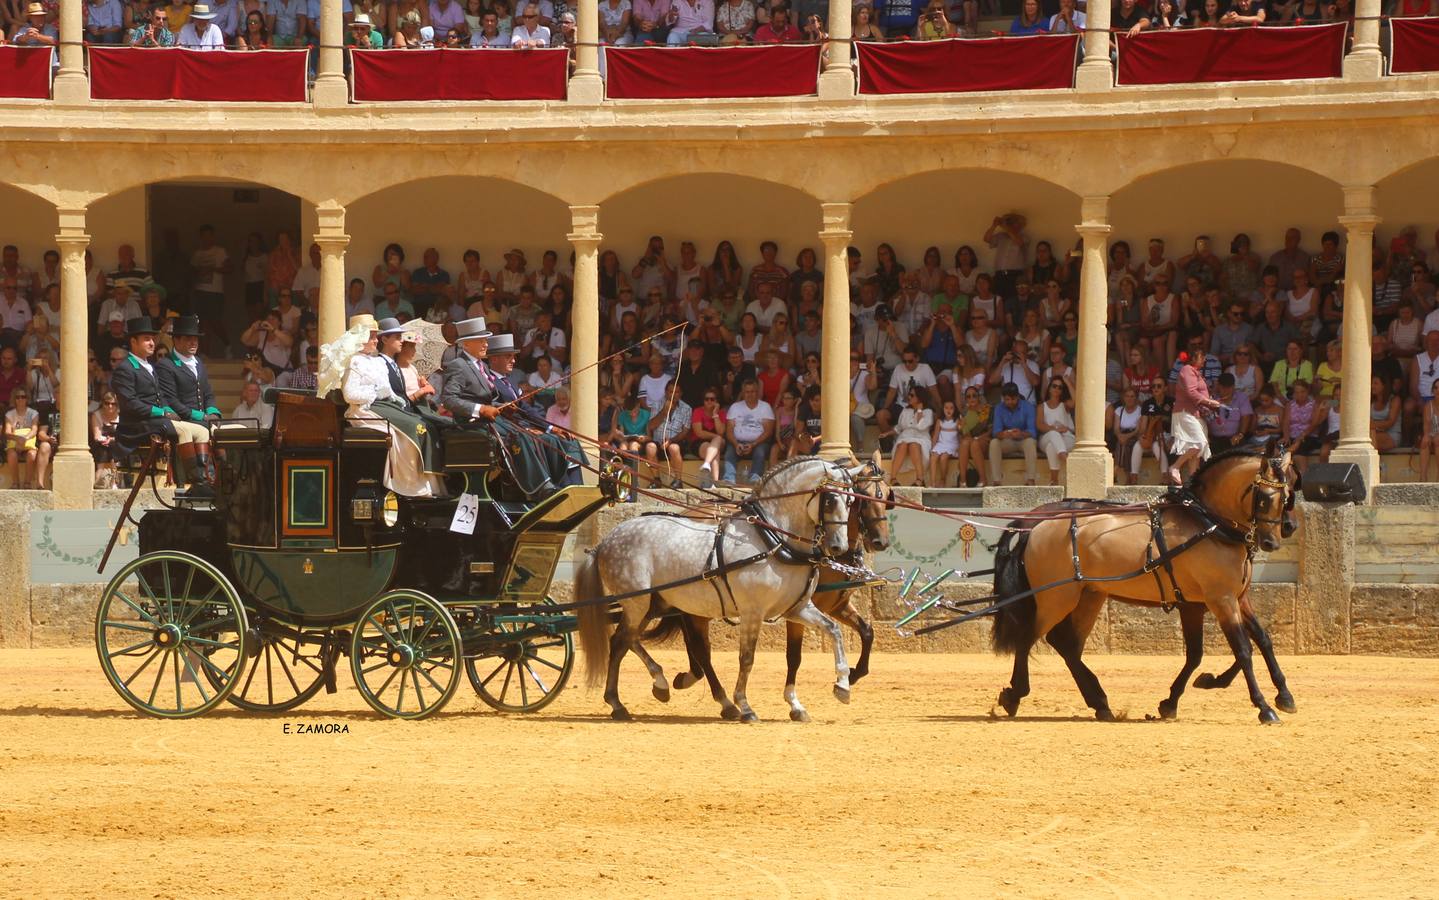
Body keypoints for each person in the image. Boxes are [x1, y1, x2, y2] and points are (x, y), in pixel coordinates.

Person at [343, 314, 447, 498]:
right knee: (415, 427)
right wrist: (375, 394)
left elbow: (387, 390)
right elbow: (349, 394)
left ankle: (430, 484)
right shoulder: (354, 361)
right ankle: (410, 485)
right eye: (372, 336)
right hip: (366, 409)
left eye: (376, 336)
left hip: (384, 405)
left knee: (422, 424)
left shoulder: (374, 361)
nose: (375, 340)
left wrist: (396, 399)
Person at [110, 317, 215, 497]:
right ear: (133, 341)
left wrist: (170, 411)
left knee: (202, 431)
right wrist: (162, 412)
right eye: (146, 339)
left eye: (152, 339)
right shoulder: (125, 368)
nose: (152, 343)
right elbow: (130, 404)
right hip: (137, 425)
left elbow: (161, 398)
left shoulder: (149, 366)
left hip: (156, 421)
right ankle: (196, 481)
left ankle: (205, 479)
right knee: (183, 431)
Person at [723, 378, 774, 484]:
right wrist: (736, 444)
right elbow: (729, 431)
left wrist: (753, 444)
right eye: (747, 392)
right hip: (738, 442)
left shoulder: (765, 407)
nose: (750, 394)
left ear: (757, 392)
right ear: (743, 393)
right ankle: (729, 480)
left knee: (760, 451)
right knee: (729, 452)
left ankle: (755, 479)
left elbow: (768, 432)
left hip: (759, 442)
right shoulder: (735, 407)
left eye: (753, 391)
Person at [989, 383, 1037, 486]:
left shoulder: (1028, 407)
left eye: (1013, 399)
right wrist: (1003, 434)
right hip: (1008, 441)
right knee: (994, 443)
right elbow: (995, 432)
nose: (1010, 402)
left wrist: (1021, 434)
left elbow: (1033, 432)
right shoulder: (999, 408)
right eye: (1007, 399)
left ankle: (1031, 480)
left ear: (1018, 396)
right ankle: (997, 481)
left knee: (1030, 442)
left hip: (1023, 440)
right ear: (1003, 398)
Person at [889, 387, 933, 487]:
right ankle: (893, 478)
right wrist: (887, 433)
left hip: (921, 438)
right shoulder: (905, 410)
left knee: (914, 445)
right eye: (909, 394)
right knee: (902, 445)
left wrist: (919, 410)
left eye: (912, 395)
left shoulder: (928, 412)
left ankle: (920, 479)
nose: (909, 397)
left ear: (919, 397)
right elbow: (899, 427)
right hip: (905, 436)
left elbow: (921, 426)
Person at [1036, 377, 1075, 486]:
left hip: (1066, 438)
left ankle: (1054, 480)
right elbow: (1039, 425)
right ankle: (1064, 457)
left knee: (1052, 447)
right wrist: (1056, 429)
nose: (1057, 389)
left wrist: (1067, 382)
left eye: (1060, 387)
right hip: (1047, 437)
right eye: (1054, 386)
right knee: (1054, 435)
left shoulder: (1065, 404)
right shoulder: (1041, 406)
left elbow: (1077, 401)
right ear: (1049, 388)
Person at [929, 399, 962, 487]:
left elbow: (960, 434)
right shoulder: (939, 421)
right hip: (941, 443)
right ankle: (932, 483)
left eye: (951, 408)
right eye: (946, 408)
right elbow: (935, 435)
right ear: (943, 409)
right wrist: (932, 447)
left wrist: (960, 448)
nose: (948, 410)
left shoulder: (958, 420)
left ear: (954, 410)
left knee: (944, 457)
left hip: (952, 444)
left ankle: (943, 479)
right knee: (933, 457)